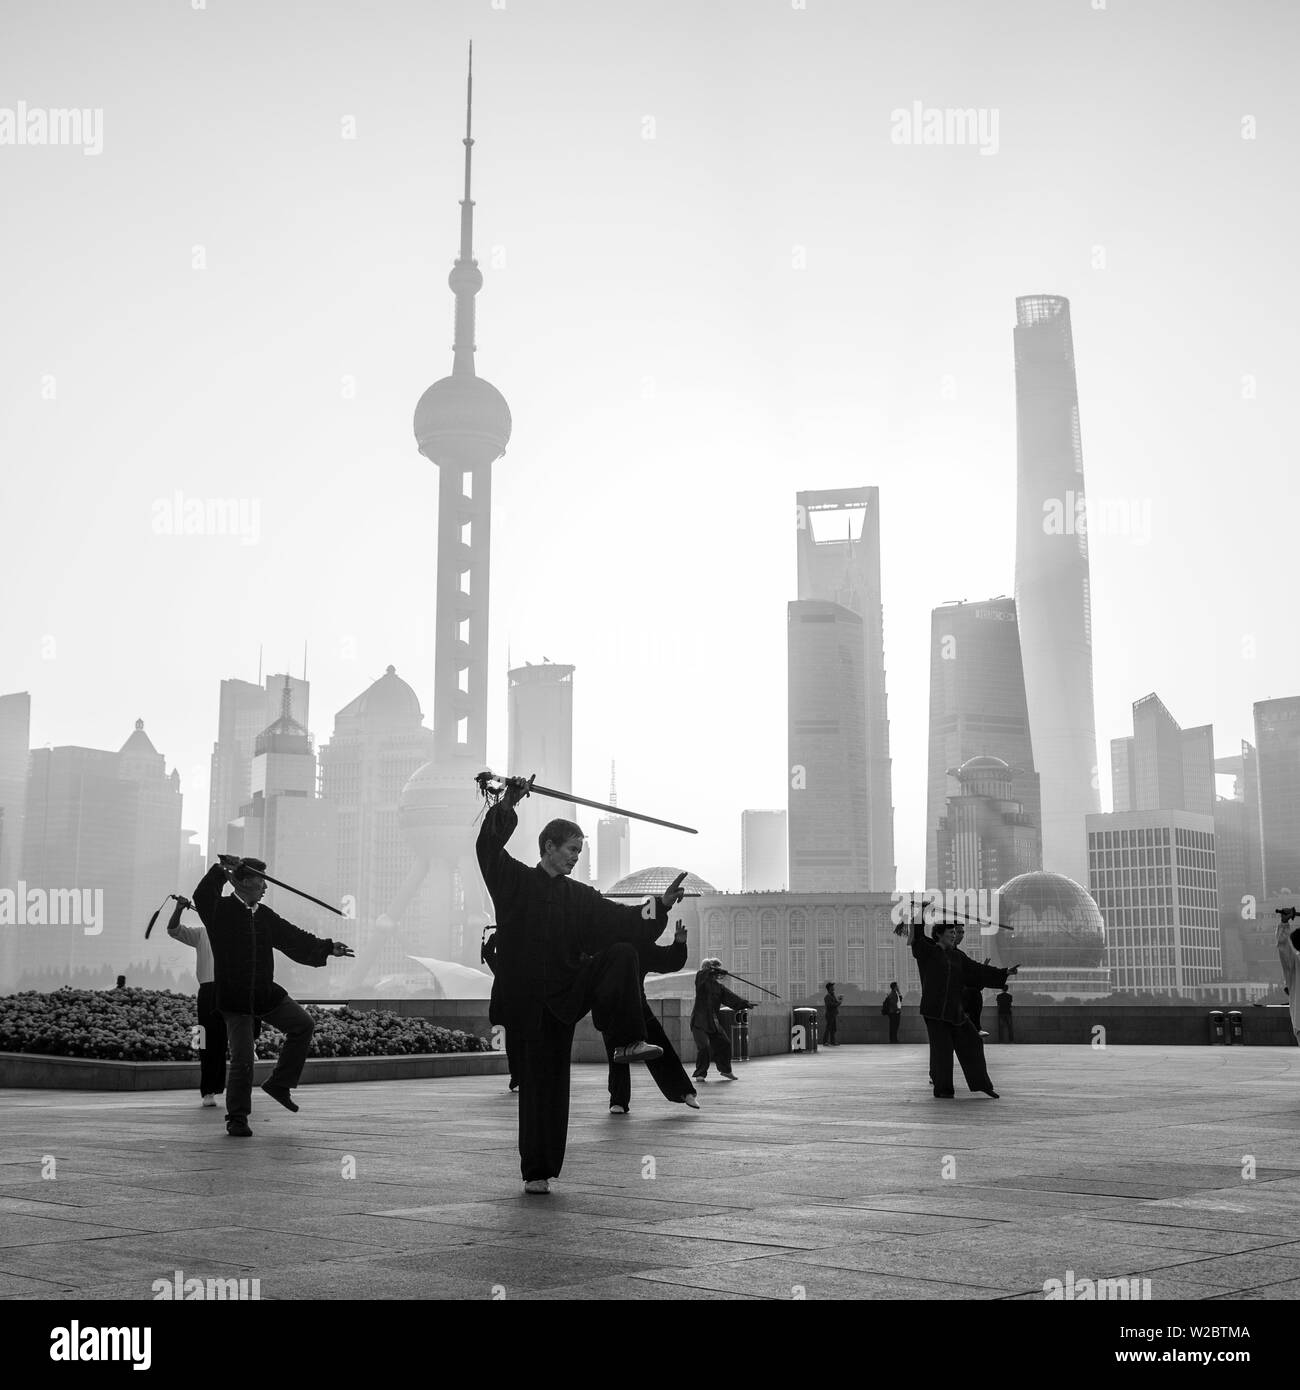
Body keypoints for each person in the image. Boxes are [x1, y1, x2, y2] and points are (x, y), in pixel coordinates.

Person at [476, 777, 687, 1194]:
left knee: (624, 952)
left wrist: (659, 905)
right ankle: (537, 1172)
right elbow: (487, 849)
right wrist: (508, 804)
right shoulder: (513, 881)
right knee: (542, 1087)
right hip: (528, 1004)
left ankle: (627, 1041)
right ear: (549, 847)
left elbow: (624, 922)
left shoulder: (581, 897)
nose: (575, 858)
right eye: (571, 849)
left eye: (579, 851)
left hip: (566, 996)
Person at [191, 855, 354, 1138]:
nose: (265, 888)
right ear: (241, 883)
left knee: (303, 1024)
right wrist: (221, 869)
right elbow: (202, 895)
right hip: (235, 996)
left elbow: (294, 938)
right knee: (243, 1060)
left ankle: (279, 1083)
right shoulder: (220, 912)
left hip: (264, 991)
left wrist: (328, 947)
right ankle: (237, 1118)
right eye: (260, 882)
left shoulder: (265, 916)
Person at [902, 906, 1018, 1099]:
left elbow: (977, 971)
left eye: (955, 932)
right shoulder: (927, 952)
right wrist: (920, 911)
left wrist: (1004, 972)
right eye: (950, 932)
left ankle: (982, 1084)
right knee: (943, 1052)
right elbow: (918, 934)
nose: (954, 936)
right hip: (935, 1012)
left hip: (955, 1011)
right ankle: (944, 1090)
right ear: (938, 934)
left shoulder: (958, 957)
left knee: (973, 1042)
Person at [605, 920, 699, 1114]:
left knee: (659, 1045)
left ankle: (684, 1092)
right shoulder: (606, 945)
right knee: (617, 1055)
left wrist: (679, 944)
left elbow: (667, 960)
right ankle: (619, 1100)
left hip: (637, 1005)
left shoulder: (639, 946)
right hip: (611, 1007)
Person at [164, 895, 226, 1108]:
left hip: (230, 989)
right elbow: (173, 930)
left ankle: (224, 1087)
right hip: (208, 992)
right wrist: (179, 908)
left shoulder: (235, 933)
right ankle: (209, 1090)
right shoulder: (202, 934)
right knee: (206, 1041)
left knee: (232, 1040)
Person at [691, 959, 753, 1081]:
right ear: (710, 969)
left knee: (725, 1043)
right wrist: (711, 969)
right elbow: (702, 974)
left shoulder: (719, 987)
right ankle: (700, 1073)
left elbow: (731, 998)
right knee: (704, 1046)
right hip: (699, 1021)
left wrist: (745, 1003)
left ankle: (726, 1071)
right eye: (716, 969)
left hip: (713, 1022)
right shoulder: (701, 980)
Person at [480, 925, 521, 1092]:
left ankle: (517, 1076)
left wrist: (497, 936)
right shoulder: (518, 965)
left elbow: (487, 952)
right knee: (517, 1044)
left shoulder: (501, 965)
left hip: (508, 1010)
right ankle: (518, 1076)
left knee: (513, 1045)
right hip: (518, 1011)